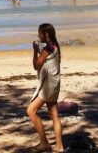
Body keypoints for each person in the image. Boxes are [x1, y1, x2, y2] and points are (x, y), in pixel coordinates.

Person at [28, 23, 64, 152]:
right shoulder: (54, 47)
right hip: (54, 85)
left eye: (40, 33)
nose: (38, 35)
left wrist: (34, 52)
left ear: (46, 34)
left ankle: (44, 142)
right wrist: (39, 51)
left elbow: (36, 65)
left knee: (31, 111)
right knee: (54, 115)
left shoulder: (47, 49)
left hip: (48, 87)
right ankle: (59, 146)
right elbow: (48, 61)